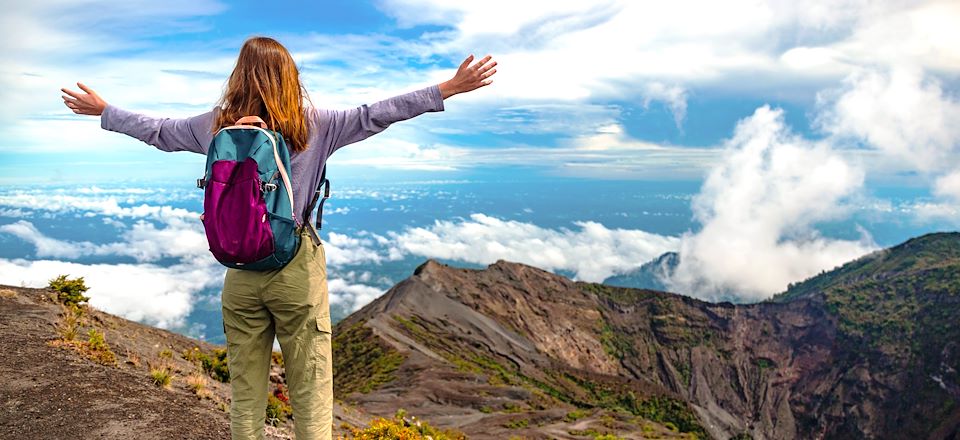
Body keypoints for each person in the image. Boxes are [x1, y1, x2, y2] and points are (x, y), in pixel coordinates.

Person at [60, 36, 497, 440]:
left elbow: (158, 130)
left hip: (239, 266)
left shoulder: (215, 125)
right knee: (309, 384)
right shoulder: (315, 123)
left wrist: (106, 111)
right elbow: (377, 113)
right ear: (291, 76)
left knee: (246, 390)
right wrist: (448, 88)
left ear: (239, 74)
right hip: (296, 268)